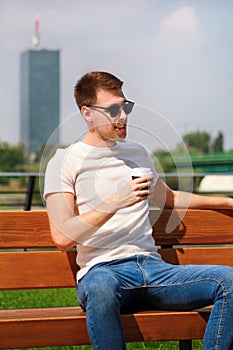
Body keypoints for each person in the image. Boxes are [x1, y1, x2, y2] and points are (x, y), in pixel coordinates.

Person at [44, 71, 233, 350]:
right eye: (112, 110)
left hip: (152, 269)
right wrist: (116, 201)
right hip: (103, 271)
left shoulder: (137, 153)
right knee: (100, 290)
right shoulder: (64, 161)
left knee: (229, 281)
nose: (122, 116)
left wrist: (228, 202)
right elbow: (62, 237)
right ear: (87, 112)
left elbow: (168, 198)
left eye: (125, 106)